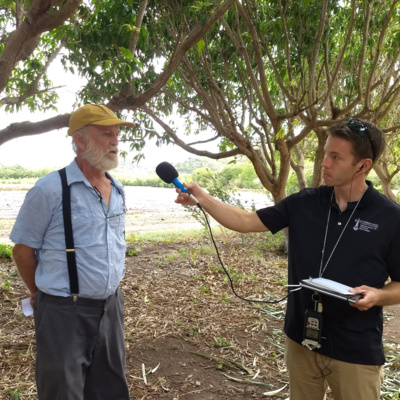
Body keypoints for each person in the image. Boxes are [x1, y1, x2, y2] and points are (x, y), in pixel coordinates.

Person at [175, 119, 400, 400]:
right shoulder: (304, 202)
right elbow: (245, 221)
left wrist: (378, 296)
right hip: (302, 337)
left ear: (362, 165)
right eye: (326, 153)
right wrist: (203, 199)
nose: (324, 163)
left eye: (336, 157)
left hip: (356, 347)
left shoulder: (390, 217)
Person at [11, 104, 135, 400]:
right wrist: (38, 293)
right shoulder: (49, 189)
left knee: (110, 390)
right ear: (80, 140)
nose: (115, 140)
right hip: (63, 312)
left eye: (117, 133)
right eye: (107, 133)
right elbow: (22, 252)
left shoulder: (117, 189)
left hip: (111, 308)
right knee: (62, 393)